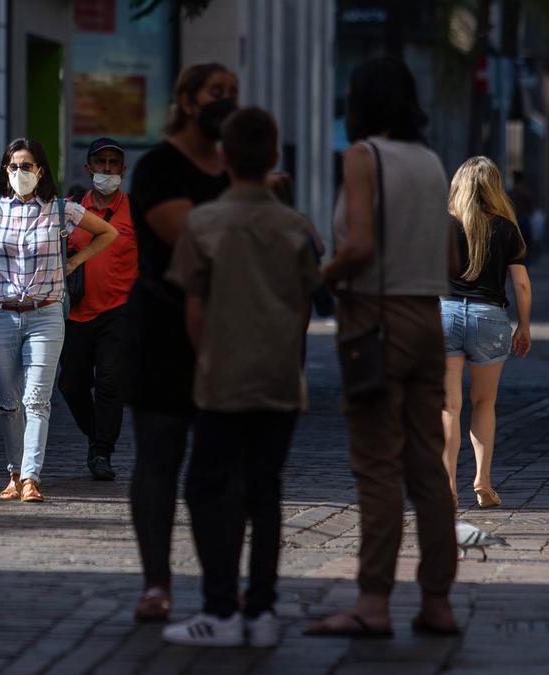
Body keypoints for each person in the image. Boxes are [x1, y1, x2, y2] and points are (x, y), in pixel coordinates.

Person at [305, 57, 458, 638]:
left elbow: (361, 246)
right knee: (427, 466)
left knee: (376, 464)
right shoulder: (430, 160)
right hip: (426, 318)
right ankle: (437, 601)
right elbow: (448, 253)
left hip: (375, 318)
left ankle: (372, 602)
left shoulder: (364, 156)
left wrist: (323, 274)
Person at [161, 107, 320, 647]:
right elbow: (303, 307)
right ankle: (263, 609)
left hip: (221, 376)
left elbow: (194, 309)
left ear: (223, 157)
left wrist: (209, 358)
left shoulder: (204, 223)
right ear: (275, 157)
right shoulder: (297, 228)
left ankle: (221, 606)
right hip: (278, 377)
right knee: (265, 491)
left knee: (207, 486)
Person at [0, 138, 118, 503]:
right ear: (5, 171)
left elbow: (107, 233)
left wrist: (73, 262)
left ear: (41, 170)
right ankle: (14, 472)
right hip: (0, 315)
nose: (20, 173)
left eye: (27, 166)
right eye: (13, 166)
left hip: (46, 314)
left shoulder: (60, 211)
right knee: (9, 402)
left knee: (37, 399)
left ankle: (31, 478)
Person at [125, 62, 238, 623]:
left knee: (218, 467)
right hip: (164, 329)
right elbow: (198, 237)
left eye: (234, 95)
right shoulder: (159, 167)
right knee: (158, 459)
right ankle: (156, 583)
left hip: (229, 331)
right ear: (189, 101)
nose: (227, 102)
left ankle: (222, 583)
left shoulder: (238, 168)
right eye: (218, 93)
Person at [440, 157, 533, 509]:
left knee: (448, 406)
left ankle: (447, 485)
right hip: (489, 318)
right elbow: (521, 284)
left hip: (445, 313)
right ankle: (482, 479)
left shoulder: (443, 225)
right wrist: (523, 325)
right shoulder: (507, 228)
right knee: (484, 403)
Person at [58, 137, 138, 481]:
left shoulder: (135, 211)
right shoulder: (71, 208)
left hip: (119, 311)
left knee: (109, 382)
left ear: (123, 169)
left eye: (113, 163)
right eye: (100, 162)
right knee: (71, 385)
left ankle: (102, 451)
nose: (107, 169)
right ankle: (95, 435)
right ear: (88, 168)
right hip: (76, 312)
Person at [508, 169, 535, 263]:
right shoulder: (526, 193)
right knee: (526, 244)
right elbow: (530, 209)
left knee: (515, 246)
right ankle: (525, 265)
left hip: (513, 220)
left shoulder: (510, 193)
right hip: (523, 220)